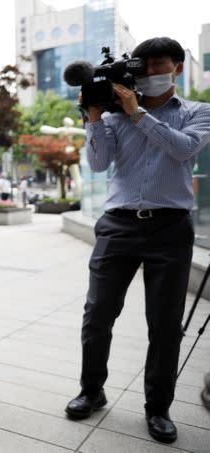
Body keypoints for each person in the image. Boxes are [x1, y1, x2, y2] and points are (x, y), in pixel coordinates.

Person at [65, 37, 210, 444]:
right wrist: (94, 117)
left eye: (157, 66)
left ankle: (158, 408)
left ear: (177, 68)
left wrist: (139, 114)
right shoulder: (113, 114)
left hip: (170, 228)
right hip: (118, 223)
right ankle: (91, 390)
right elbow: (97, 163)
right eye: (141, 67)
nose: (147, 75)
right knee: (97, 314)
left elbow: (183, 150)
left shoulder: (199, 112)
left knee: (164, 326)